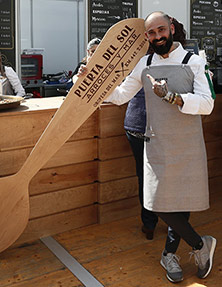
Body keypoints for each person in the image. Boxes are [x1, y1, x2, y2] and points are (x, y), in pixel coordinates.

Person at [78, 11, 216, 283]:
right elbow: (119, 97)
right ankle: (201, 245)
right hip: (157, 144)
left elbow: (207, 104)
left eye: (161, 30)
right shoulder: (144, 63)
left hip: (187, 146)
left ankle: (168, 255)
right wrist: (90, 80)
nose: (157, 37)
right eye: (151, 33)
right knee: (158, 205)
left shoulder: (195, 62)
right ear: (146, 37)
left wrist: (174, 97)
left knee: (181, 205)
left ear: (172, 29)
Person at [124, 17, 187, 241]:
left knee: (146, 177)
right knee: (170, 178)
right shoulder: (183, 61)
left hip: (135, 124)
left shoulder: (145, 59)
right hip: (156, 128)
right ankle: (176, 226)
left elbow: (124, 92)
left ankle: (149, 224)